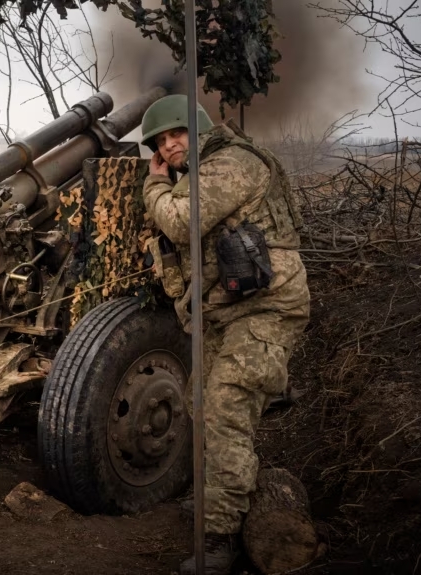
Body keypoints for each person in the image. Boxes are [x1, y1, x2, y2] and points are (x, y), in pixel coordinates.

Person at [140, 94, 311, 575]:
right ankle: (220, 497)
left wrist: (154, 185)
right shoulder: (200, 172)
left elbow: (180, 221)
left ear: (199, 130)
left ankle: (218, 540)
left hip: (267, 308)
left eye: (178, 134)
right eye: (161, 140)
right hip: (228, 311)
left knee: (225, 411)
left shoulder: (230, 164)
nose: (170, 145)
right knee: (200, 402)